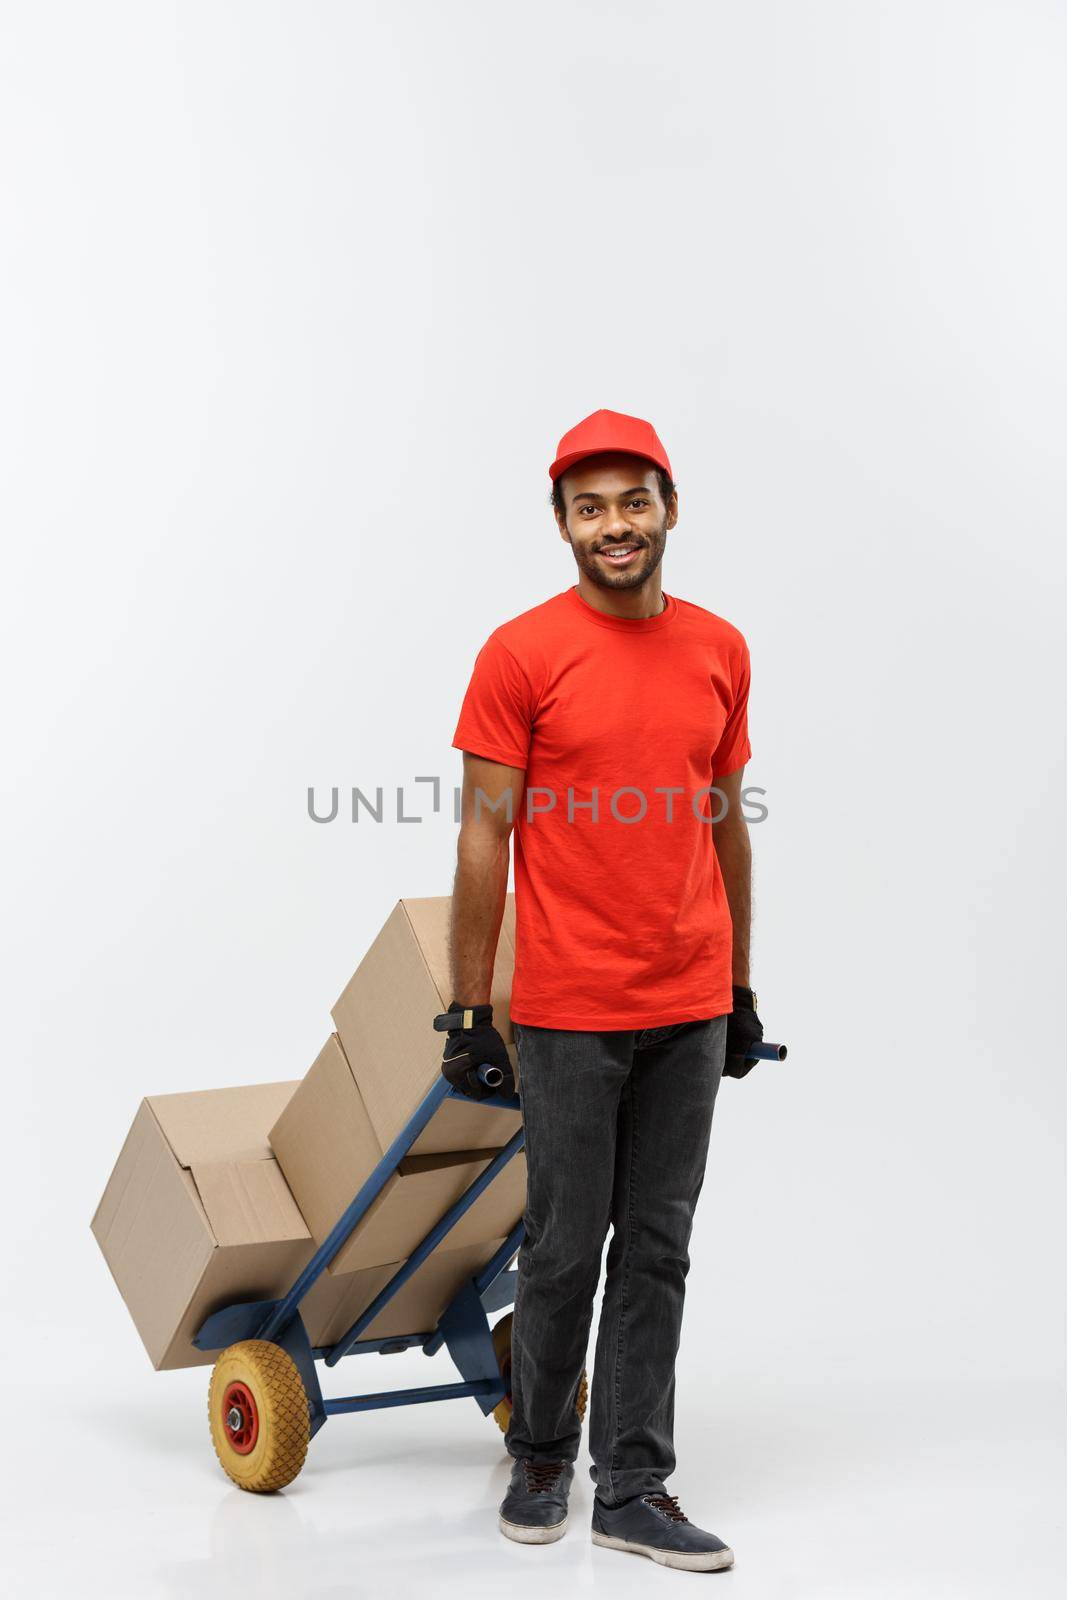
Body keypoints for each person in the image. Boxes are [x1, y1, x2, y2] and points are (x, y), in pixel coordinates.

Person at [435, 408, 768, 1574]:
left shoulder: (719, 647)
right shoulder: (521, 652)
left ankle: (632, 1482)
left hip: (685, 1002)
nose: (615, 525)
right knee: (564, 1243)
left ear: (668, 506)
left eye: (634, 500)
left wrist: (736, 983)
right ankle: (539, 1452)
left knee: (659, 1245)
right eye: (590, 507)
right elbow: (484, 838)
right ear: (562, 525)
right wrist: (471, 1008)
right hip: (569, 1008)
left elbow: (723, 818)